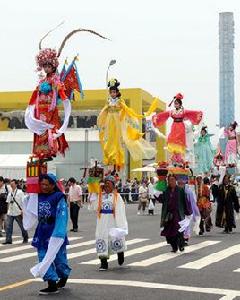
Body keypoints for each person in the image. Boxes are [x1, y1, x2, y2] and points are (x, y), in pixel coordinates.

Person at [23, 173, 71, 295]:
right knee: (43, 256)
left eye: (46, 184)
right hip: (42, 231)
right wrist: (30, 195)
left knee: (60, 259)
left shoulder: (59, 197)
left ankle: (63, 275)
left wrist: (59, 233)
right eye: (41, 184)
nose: (43, 186)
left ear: (52, 185)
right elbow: (29, 206)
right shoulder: (38, 196)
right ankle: (52, 283)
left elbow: (62, 215)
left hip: (55, 230)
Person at [97, 78, 156, 170]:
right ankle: (110, 158)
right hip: (110, 122)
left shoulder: (120, 101)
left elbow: (126, 110)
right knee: (109, 140)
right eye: (111, 92)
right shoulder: (108, 101)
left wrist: (130, 116)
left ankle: (117, 159)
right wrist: (101, 120)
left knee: (117, 141)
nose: (112, 94)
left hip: (117, 122)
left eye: (114, 92)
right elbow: (104, 112)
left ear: (117, 93)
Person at [152, 93, 202, 164]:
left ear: (180, 104)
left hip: (181, 127)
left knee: (179, 143)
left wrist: (198, 114)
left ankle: (179, 158)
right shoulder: (172, 112)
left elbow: (192, 113)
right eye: (175, 103)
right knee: (172, 141)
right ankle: (175, 157)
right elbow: (164, 114)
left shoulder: (184, 111)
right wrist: (156, 118)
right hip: (174, 127)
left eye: (177, 103)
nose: (176, 105)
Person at [92, 175, 128, 271]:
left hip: (113, 221)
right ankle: (103, 263)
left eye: (109, 183)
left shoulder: (117, 196)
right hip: (102, 222)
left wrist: (121, 226)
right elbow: (94, 207)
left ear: (113, 185)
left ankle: (120, 253)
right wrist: (95, 193)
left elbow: (120, 212)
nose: (106, 186)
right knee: (101, 238)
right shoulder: (100, 196)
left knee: (115, 239)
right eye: (105, 183)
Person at [159, 174, 192, 253]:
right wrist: (158, 191)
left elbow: (185, 201)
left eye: (173, 180)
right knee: (168, 232)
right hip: (168, 214)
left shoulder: (180, 190)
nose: (171, 182)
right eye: (170, 180)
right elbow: (161, 199)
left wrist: (188, 212)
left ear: (176, 180)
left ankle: (181, 245)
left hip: (178, 213)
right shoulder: (166, 190)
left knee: (178, 231)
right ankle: (174, 247)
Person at [2, 179, 28, 245]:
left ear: (16, 184)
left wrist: (23, 210)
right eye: (11, 184)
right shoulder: (10, 193)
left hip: (18, 211)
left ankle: (25, 237)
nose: (11, 185)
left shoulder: (20, 192)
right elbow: (8, 202)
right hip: (10, 212)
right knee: (8, 227)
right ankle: (8, 240)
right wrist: (8, 211)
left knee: (22, 226)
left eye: (12, 184)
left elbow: (23, 202)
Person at [177, 176, 200, 245]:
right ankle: (180, 238)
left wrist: (194, 211)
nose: (180, 184)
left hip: (186, 210)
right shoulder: (176, 189)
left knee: (186, 225)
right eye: (179, 182)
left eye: (181, 182)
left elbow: (192, 202)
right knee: (178, 225)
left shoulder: (188, 191)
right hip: (178, 210)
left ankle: (185, 239)